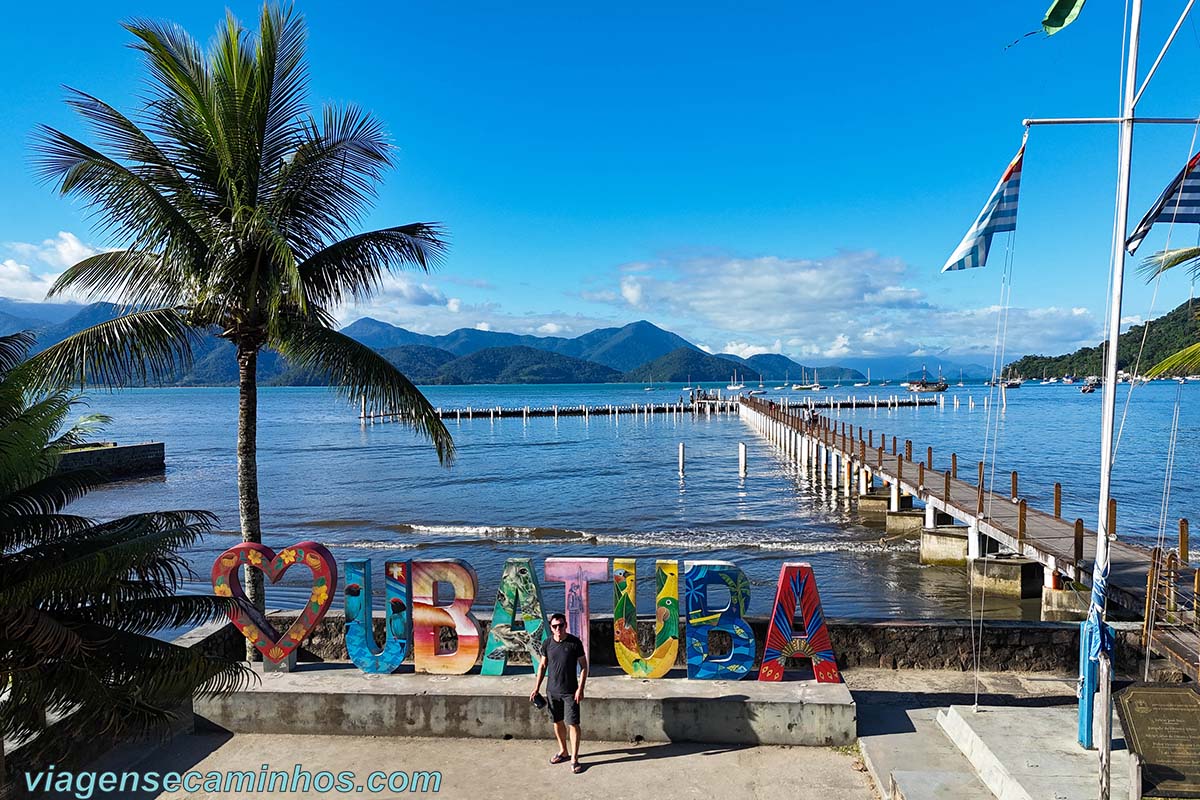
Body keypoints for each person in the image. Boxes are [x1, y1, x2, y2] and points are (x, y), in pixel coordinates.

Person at [530, 612, 588, 773]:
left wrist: (580, 688)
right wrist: (536, 688)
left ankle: (575, 758)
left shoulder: (574, 643)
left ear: (565, 625)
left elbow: (584, 666)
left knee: (573, 724)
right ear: (551, 627)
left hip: (570, 692)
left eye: (561, 625)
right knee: (557, 721)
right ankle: (563, 751)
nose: (558, 629)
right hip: (552, 691)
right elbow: (542, 666)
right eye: (555, 626)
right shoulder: (547, 644)